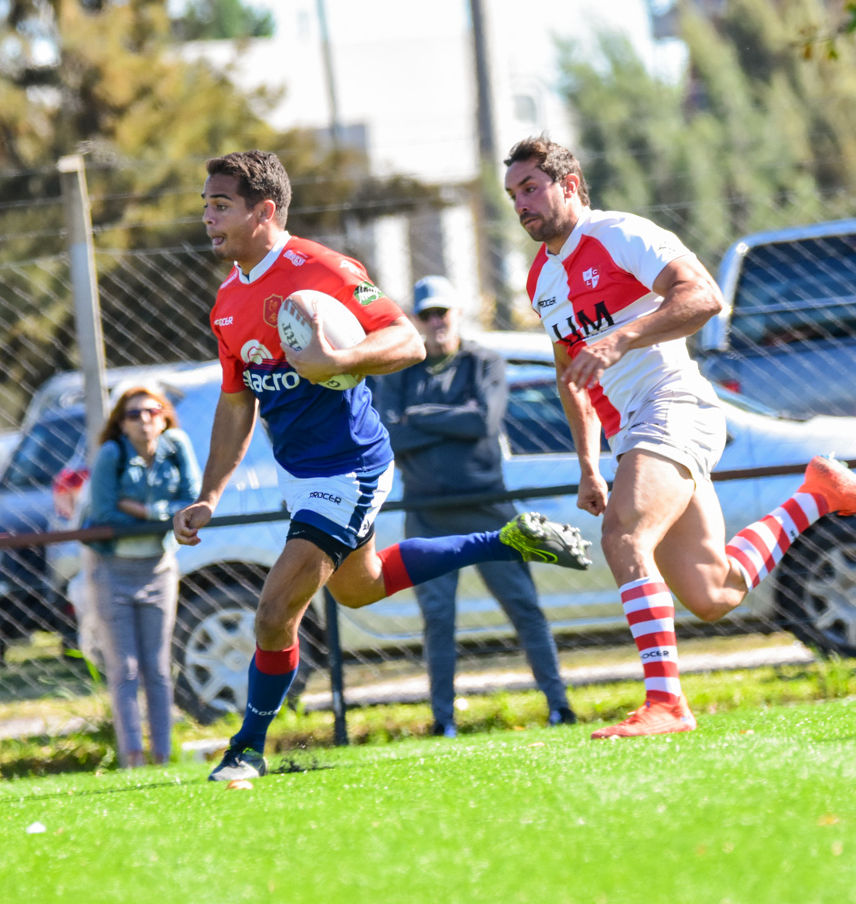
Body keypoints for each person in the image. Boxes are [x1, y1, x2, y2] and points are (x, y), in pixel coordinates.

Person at [173, 150, 590, 781]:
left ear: (264, 211)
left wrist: (340, 360)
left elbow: (408, 340)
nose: (208, 217)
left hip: (351, 467)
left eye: (221, 205)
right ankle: (503, 541)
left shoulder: (321, 269)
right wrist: (210, 493)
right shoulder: (228, 301)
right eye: (205, 205)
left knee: (273, 611)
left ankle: (246, 749)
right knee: (359, 588)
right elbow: (237, 405)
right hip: (302, 475)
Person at [502, 136, 856, 739]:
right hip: (635, 431)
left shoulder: (618, 235)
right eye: (513, 195)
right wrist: (589, 463)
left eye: (531, 188)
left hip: (675, 406)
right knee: (713, 591)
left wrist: (619, 338)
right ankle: (818, 497)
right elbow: (572, 377)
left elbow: (704, 297)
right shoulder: (542, 279)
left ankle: (666, 703)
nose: (521, 204)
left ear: (570, 185)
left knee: (623, 536)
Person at [372, 275, 575, 737]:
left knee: (524, 606)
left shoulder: (484, 361)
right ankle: (443, 719)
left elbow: (484, 420)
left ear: (456, 313)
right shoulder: (400, 372)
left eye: (442, 312)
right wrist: (445, 421)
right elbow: (389, 436)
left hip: (487, 507)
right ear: (416, 321)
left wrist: (418, 417)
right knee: (438, 619)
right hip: (427, 513)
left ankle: (559, 705)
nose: (435, 322)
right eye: (425, 315)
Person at [83, 386, 200, 768]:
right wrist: (163, 515)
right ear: (121, 424)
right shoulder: (112, 455)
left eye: (152, 411)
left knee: (158, 667)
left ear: (165, 416)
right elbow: (103, 515)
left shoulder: (176, 446)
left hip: (159, 567)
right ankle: (132, 757)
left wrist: (145, 510)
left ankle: (163, 756)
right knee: (126, 669)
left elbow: (193, 502)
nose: (144, 419)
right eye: (133, 414)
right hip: (111, 571)